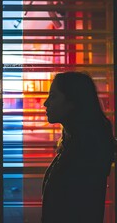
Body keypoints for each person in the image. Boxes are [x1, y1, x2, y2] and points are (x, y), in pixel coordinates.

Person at [42, 72, 115, 223]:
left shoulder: (86, 151)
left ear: (73, 102)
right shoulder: (75, 144)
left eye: (54, 96)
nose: (46, 103)